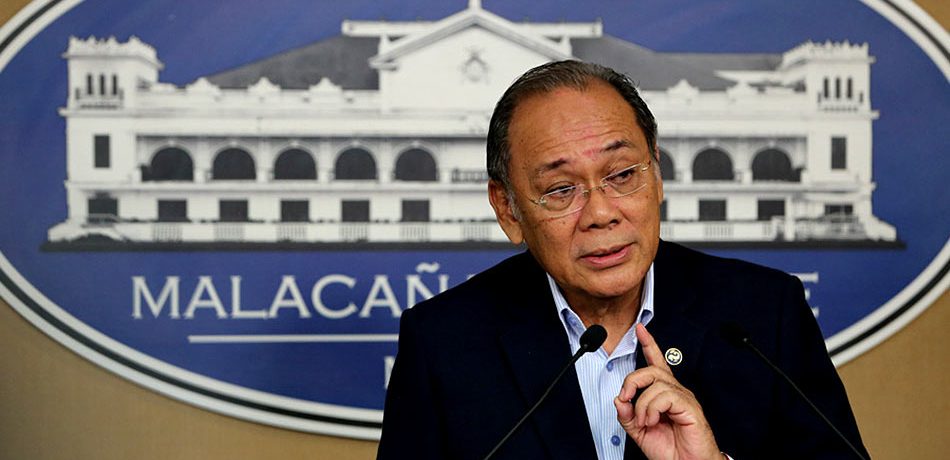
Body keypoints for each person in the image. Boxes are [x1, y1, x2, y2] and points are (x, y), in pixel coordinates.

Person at [377, 60, 869, 460]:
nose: (601, 213)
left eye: (622, 174)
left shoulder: (763, 315)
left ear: (657, 174)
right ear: (508, 209)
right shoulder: (444, 342)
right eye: (561, 189)